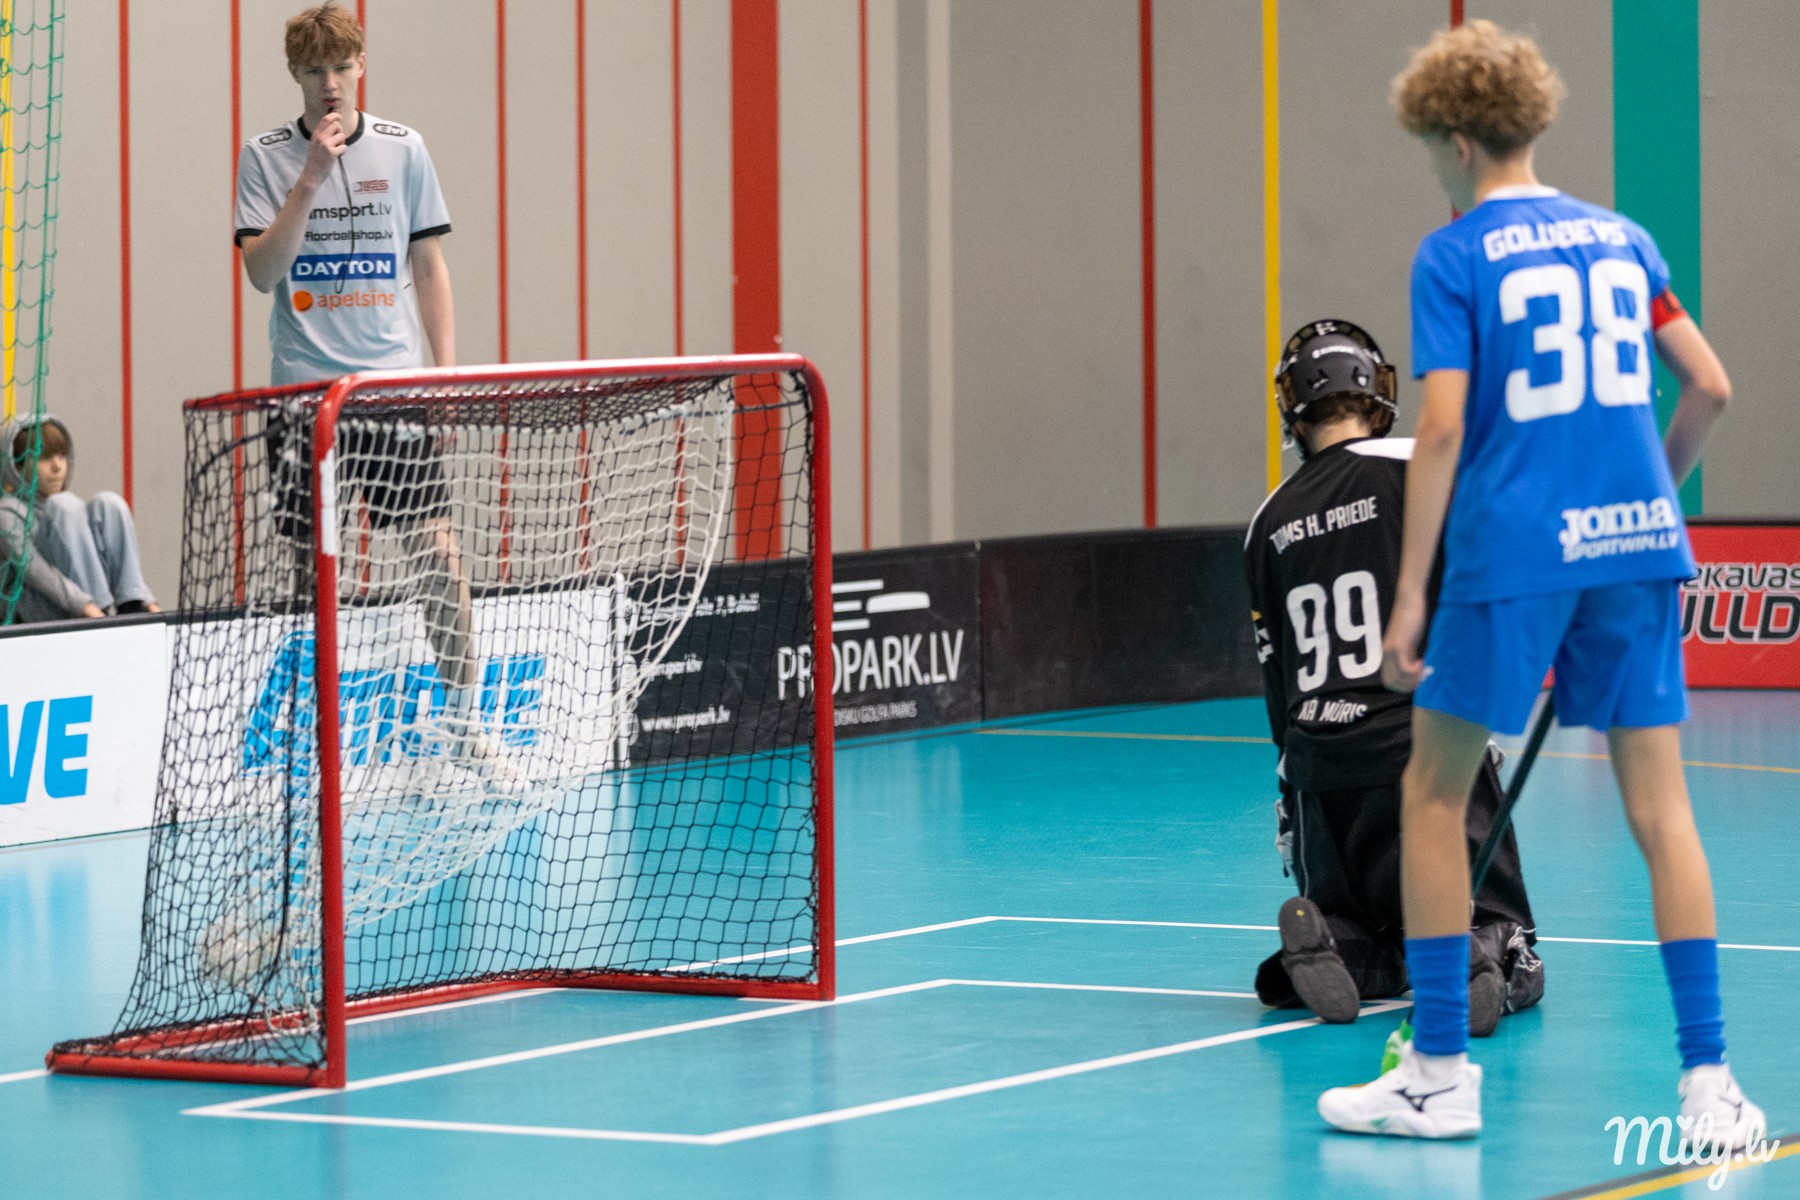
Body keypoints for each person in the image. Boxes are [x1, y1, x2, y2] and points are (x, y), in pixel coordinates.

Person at [1318, 21, 1762, 1144]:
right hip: (1636, 548)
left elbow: (1441, 429)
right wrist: (1652, 501)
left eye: (1430, 146)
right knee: (1663, 812)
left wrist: (1410, 594)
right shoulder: (1625, 241)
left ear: (1459, 141)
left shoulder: (1454, 254)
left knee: (1431, 797)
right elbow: (1709, 386)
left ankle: (1438, 1075)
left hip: (1512, 553)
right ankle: (1710, 1084)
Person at [235, 4, 510, 779]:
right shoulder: (264, 157)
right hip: (304, 400)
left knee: (439, 556)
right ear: (295, 75)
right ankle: (315, 744)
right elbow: (262, 271)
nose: (330, 82)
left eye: (341, 66)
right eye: (314, 70)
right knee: (308, 574)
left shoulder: (404, 148)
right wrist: (311, 179)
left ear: (360, 66)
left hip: (390, 391)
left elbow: (429, 267)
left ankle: (466, 724)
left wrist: (442, 376)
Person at [1245, 319, 1543, 1033]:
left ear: (1293, 409)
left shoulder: (1267, 521)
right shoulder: (1419, 464)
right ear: (1375, 392)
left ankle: (1339, 947)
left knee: (1364, 925)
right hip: (1423, 749)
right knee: (1500, 930)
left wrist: (1293, 786)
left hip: (1320, 770)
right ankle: (1485, 950)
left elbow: (1276, 676)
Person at [1, 413, 161, 624]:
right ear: (17, 466)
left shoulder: (66, 510)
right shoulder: (7, 514)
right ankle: (101, 610)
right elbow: (40, 576)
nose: (57, 466)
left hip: (89, 610)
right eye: (44, 458)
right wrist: (88, 608)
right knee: (64, 505)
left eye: (61, 455)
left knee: (108, 504)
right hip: (40, 611)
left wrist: (149, 603)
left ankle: (131, 604)